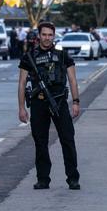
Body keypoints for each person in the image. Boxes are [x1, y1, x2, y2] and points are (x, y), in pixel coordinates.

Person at [17, 22, 81, 190]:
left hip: (59, 102)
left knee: (67, 139)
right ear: (39, 35)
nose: (47, 38)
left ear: (54, 36)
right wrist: (21, 108)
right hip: (38, 103)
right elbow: (22, 82)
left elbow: (73, 80)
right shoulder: (29, 57)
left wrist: (75, 102)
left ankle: (73, 178)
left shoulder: (62, 55)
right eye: (44, 35)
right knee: (40, 142)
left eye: (50, 35)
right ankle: (43, 178)